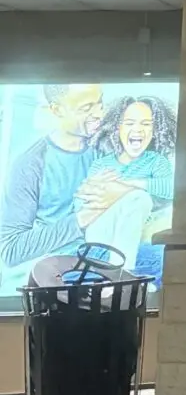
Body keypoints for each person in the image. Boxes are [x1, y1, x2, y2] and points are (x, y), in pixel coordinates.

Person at [0, 83, 128, 286]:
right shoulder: (30, 165)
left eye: (100, 103)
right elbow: (11, 250)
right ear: (57, 110)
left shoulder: (110, 147)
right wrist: (81, 219)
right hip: (64, 281)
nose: (99, 114)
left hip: (118, 269)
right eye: (86, 108)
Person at [89, 94, 178, 281]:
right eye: (129, 123)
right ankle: (118, 277)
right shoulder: (101, 165)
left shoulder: (157, 162)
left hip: (138, 233)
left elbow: (171, 188)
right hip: (101, 232)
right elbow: (84, 203)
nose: (137, 129)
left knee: (139, 198)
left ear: (154, 130)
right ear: (117, 128)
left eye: (146, 124)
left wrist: (129, 185)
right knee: (139, 198)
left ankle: (124, 278)